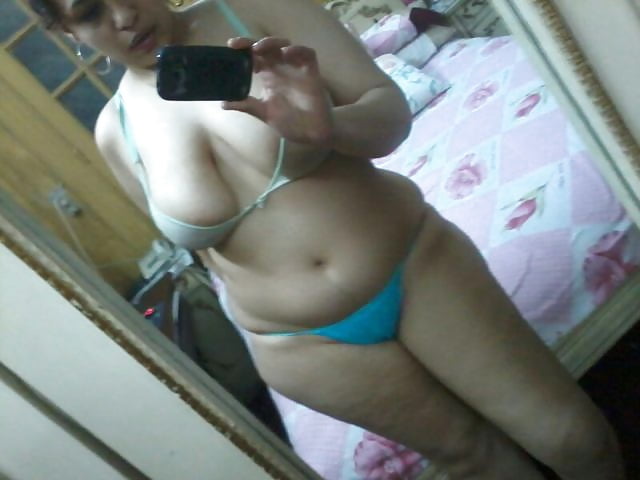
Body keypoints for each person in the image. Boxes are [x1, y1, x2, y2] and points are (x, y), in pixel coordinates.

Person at [29, 0, 626, 478]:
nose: (123, 14)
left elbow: (389, 115)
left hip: (410, 264)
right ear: (66, 30)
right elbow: (205, 254)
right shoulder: (115, 132)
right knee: (473, 462)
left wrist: (327, 126)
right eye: (89, 11)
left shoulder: (253, 12)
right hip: (300, 349)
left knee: (573, 440)